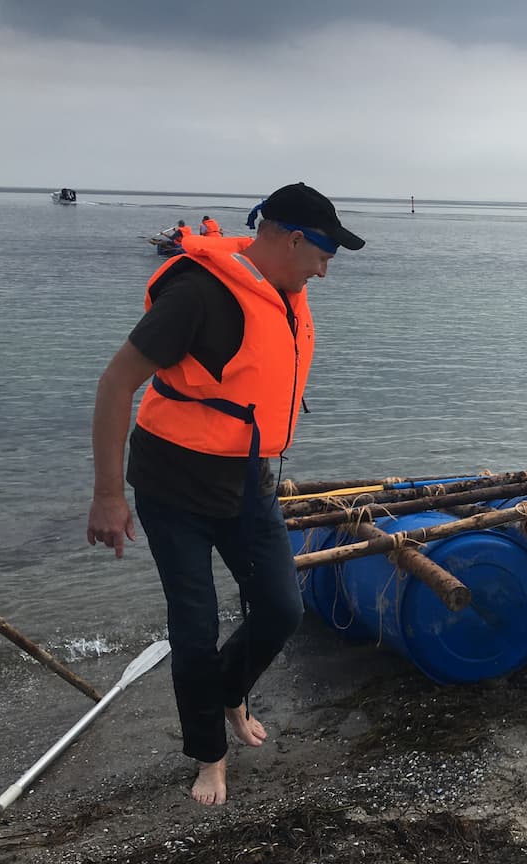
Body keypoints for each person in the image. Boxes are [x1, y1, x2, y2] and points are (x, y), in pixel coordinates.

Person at [87, 182, 366, 805]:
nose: (327, 268)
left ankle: (232, 691)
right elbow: (115, 384)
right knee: (194, 628)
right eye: (324, 252)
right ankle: (209, 756)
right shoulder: (197, 294)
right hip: (174, 487)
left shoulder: (284, 292)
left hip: (250, 479)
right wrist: (108, 495)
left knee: (280, 609)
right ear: (292, 238)